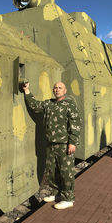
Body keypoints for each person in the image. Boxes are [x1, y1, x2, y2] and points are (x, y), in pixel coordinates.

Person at [23, 81, 81, 210]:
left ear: (65, 91)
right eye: (55, 88)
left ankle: (68, 198)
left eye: (60, 88)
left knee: (66, 172)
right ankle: (56, 194)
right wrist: (27, 91)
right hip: (51, 143)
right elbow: (35, 106)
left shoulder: (69, 105)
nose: (57, 90)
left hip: (64, 144)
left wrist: (72, 142)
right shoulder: (49, 103)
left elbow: (76, 123)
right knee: (52, 171)